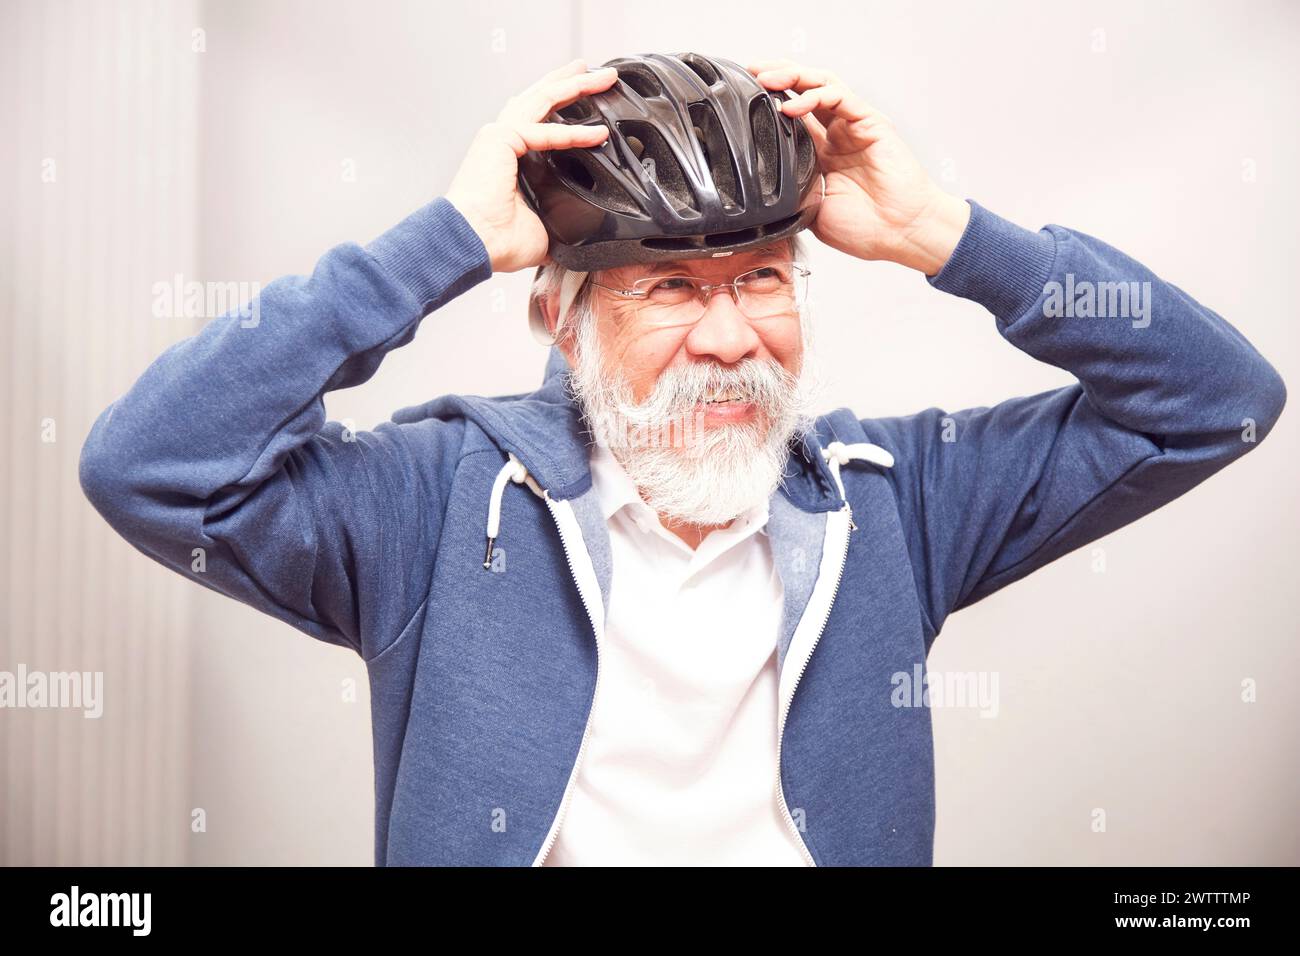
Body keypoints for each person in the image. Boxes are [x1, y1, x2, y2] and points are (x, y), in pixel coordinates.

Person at [79, 53, 1286, 866]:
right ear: (564, 318)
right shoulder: (433, 505)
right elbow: (150, 465)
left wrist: (944, 237)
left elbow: (1216, 401)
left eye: (759, 278)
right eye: (667, 288)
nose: (728, 336)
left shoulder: (900, 501)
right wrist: (438, 247)